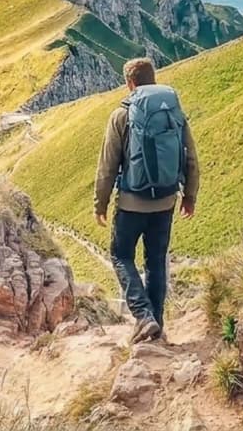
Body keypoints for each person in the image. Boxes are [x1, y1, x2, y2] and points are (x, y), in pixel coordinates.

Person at [94, 57, 199, 344]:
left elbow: (107, 166)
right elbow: (190, 156)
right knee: (156, 262)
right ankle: (158, 327)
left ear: (130, 83)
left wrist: (99, 204)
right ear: (154, 78)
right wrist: (189, 195)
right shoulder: (174, 111)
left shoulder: (121, 115)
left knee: (120, 255)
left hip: (131, 204)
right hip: (166, 202)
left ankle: (143, 316)